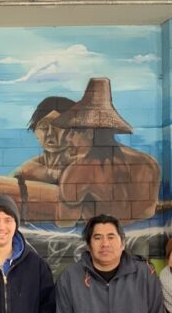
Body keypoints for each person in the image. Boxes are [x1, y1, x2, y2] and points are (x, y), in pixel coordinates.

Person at [51, 78, 161, 225]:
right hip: (140, 241)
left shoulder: (77, 172)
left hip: (100, 242)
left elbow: (65, 223)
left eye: (73, 132)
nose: (69, 138)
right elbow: (147, 214)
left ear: (89, 132)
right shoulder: (148, 163)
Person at [13, 96, 76, 184]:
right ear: (35, 131)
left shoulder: (82, 166)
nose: (50, 133)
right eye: (44, 126)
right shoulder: (28, 166)